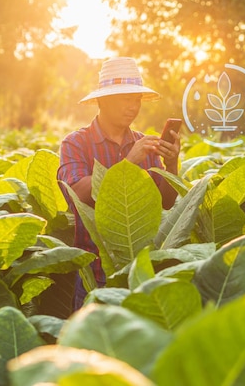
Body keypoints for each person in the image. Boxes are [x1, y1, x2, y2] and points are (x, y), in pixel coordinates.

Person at [57, 57, 180, 310]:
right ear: (103, 100)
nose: (133, 107)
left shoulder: (144, 143)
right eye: (125, 98)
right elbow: (77, 192)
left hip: (141, 276)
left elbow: (166, 202)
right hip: (96, 275)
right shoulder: (75, 143)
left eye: (136, 99)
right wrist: (129, 163)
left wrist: (172, 164)